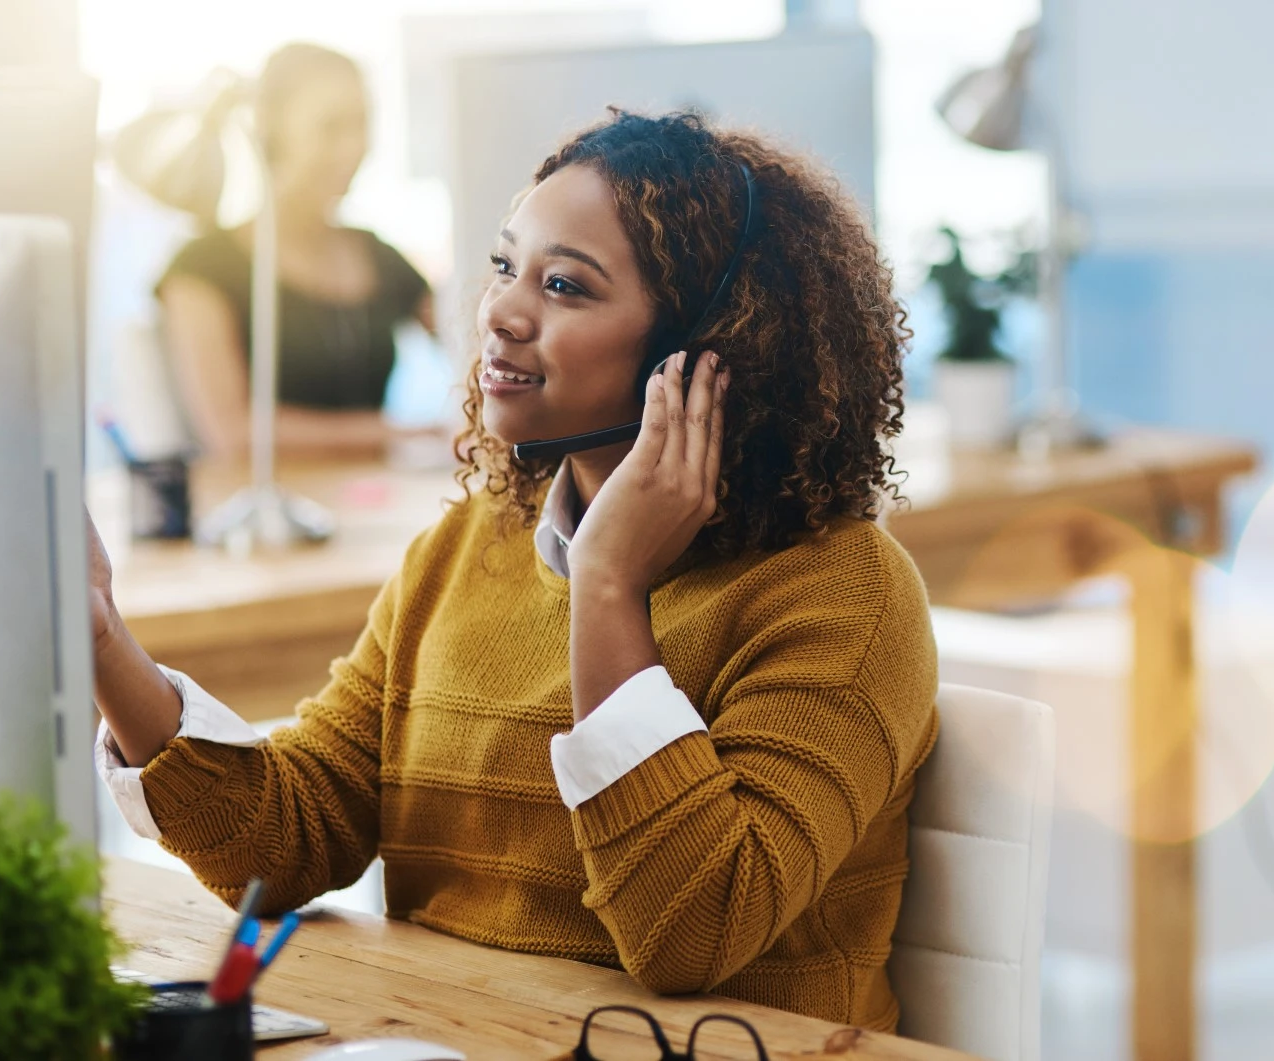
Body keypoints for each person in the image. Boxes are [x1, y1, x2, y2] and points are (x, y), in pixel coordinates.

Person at [88, 110, 938, 1031]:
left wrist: (608, 585)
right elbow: (286, 842)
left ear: (701, 349)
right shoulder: (469, 548)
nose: (500, 311)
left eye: (565, 285)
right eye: (504, 267)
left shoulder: (843, 592)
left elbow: (692, 931)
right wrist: (97, 632)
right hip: (460, 1037)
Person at [156, 43, 435, 462]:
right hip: (265, 512)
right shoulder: (203, 267)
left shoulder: (379, 255)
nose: (354, 147)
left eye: (363, 124)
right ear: (271, 130)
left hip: (374, 498)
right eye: (331, 127)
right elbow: (232, 432)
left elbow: (472, 340)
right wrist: (405, 433)